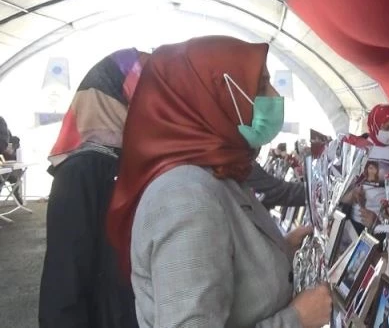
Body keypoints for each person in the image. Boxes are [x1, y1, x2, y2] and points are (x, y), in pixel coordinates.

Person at [105, 36, 331, 328]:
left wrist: (281, 250)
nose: (275, 95)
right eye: (261, 85)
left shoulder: (219, 172)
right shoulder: (184, 197)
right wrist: (297, 319)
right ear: (214, 98)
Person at [39, 48, 148, 328]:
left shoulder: (133, 159)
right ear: (115, 96)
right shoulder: (82, 170)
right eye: (148, 90)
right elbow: (65, 280)